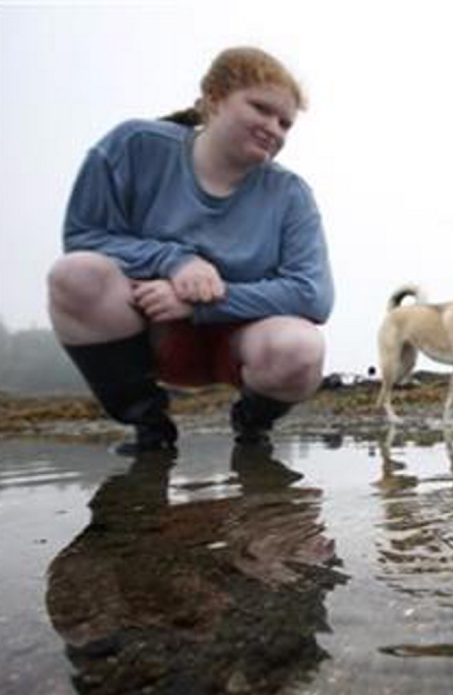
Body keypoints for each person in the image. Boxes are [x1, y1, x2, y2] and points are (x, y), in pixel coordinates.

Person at [48, 46, 334, 455]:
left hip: (242, 344)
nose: (274, 128)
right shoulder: (133, 145)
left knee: (302, 347)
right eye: (261, 109)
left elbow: (313, 294)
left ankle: (252, 424)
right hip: (148, 330)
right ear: (214, 99)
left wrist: (201, 305)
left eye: (285, 123)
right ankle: (149, 426)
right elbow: (83, 235)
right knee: (75, 274)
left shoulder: (291, 195)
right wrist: (174, 261)